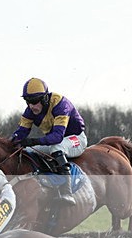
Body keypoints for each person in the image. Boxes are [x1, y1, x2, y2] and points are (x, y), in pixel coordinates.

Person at [10, 77, 87, 205]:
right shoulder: (30, 111)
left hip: (76, 139)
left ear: (45, 98)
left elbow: (57, 136)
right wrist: (8, 145)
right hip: (56, 143)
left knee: (57, 148)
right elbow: (20, 133)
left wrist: (33, 141)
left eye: (34, 101)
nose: (31, 106)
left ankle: (67, 191)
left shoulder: (61, 104)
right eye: (27, 101)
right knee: (27, 151)